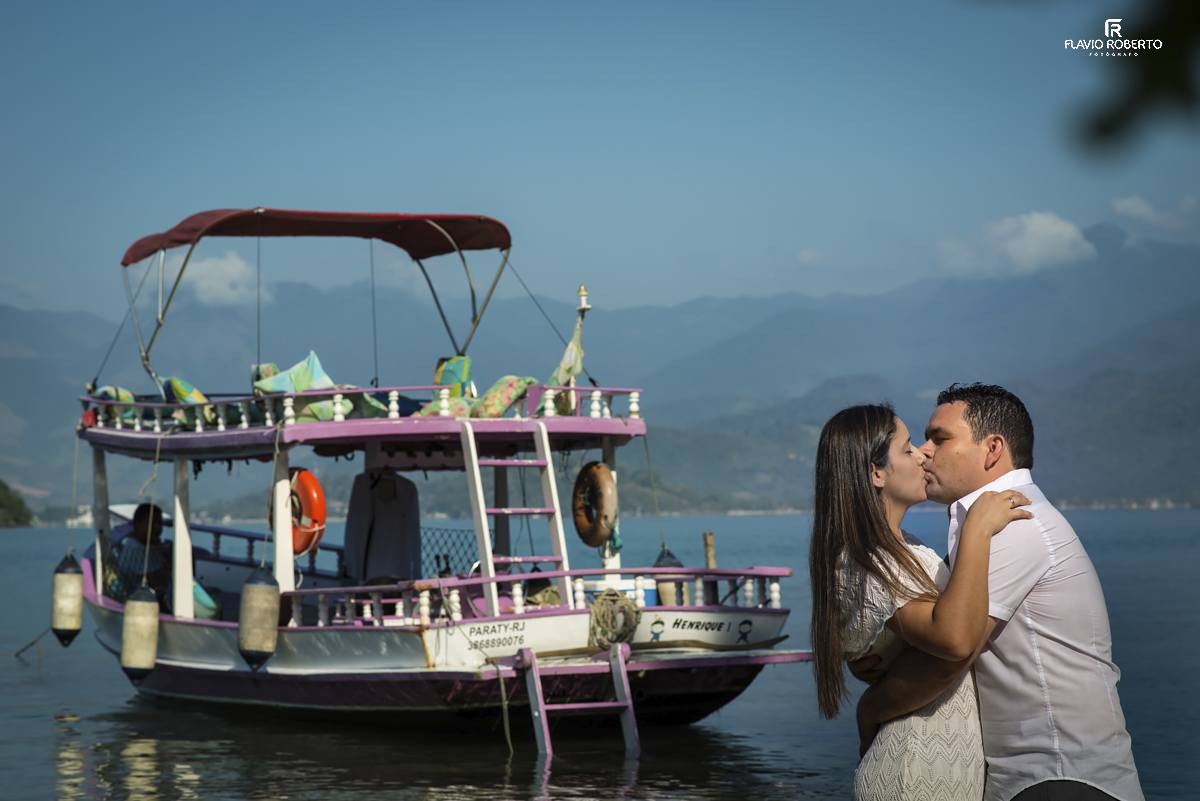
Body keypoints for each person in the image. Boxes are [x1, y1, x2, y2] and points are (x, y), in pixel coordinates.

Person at [853, 384, 1142, 801]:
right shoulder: (988, 526)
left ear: (992, 449)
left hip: (1057, 774)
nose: (925, 451)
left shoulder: (1013, 524)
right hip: (1036, 776)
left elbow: (949, 655)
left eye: (940, 438)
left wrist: (870, 709)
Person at [810, 403, 1032, 800]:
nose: (922, 454)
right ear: (876, 472)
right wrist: (976, 531)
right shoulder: (867, 558)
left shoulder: (900, 546)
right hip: (913, 771)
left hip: (939, 762)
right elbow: (952, 639)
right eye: (907, 447)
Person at [110, 503, 172, 610]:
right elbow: (158, 584)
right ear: (138, 525)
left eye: (159, 523)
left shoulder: (140, 545)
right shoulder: (137, 550)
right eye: (152, 523)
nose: (157, 528)